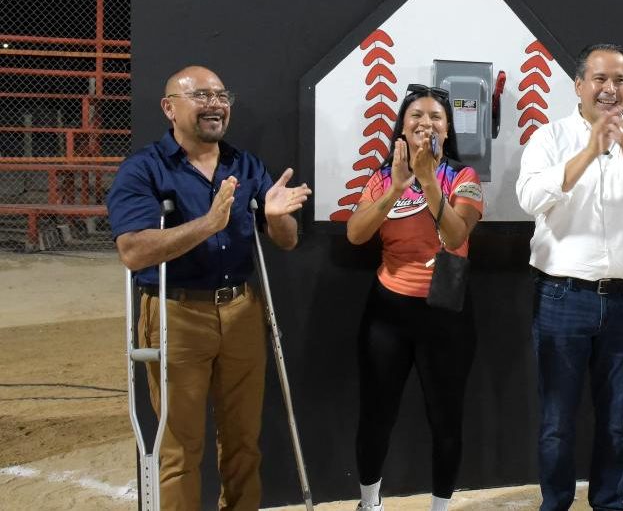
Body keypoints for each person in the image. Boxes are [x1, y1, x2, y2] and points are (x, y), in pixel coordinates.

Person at [107, 65, 312, 511]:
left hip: (240, 310)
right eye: (200, 95)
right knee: (180, 447)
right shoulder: (144, 169)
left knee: (244, 440)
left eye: (221, 95)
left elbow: (287, 241)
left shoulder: (246, 166)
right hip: (176, 315)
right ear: (169, 107)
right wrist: (208, 224)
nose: (215, 104)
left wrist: (277, 218)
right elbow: (134, 250)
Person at [515, 43, 623, 511]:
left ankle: (610, 504)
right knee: (557, 421)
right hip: (563, 297)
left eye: (620, 81)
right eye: (601, 79)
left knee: (616, 422)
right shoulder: (549, 138)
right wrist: (590, 151)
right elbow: (529, 198)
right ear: (579, 85)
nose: (611, 89)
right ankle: (556, 505)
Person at [345, 84, 484, 511]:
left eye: (436, 117)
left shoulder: (464, 178)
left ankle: (440, 507)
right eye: (416, 117)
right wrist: (397, 186)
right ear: (401, 129)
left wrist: (427, 180)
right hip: (388, 308)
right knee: (376, 414)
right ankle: (370, 503)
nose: (426, 124)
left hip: (446, 306)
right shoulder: (382, 177)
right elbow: (356, 234)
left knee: (445, 420)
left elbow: (457, 234)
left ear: (448, 127)